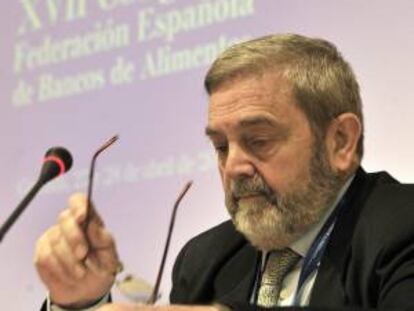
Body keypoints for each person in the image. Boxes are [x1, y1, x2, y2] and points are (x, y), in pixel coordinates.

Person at [34, 33, 414, 310]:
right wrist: (83, 301)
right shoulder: (204, 260)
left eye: (259, 140)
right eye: (220, 146)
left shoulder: (401, 227)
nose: (232, 166)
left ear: (340, 142)